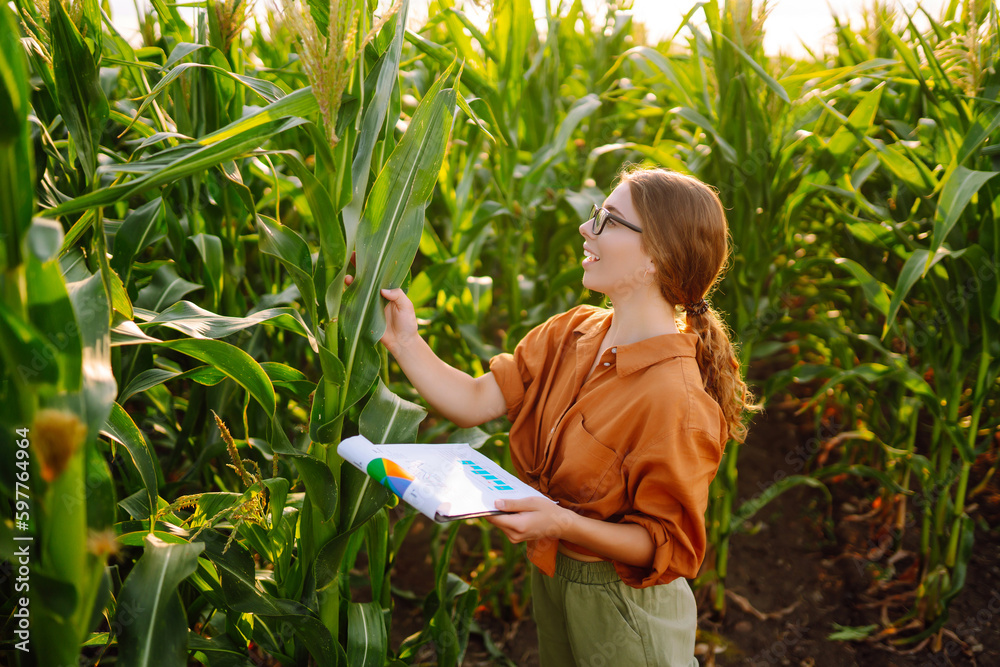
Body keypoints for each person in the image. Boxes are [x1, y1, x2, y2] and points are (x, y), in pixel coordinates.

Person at [373, 166, 754, 666]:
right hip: (555, 579)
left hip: (627, 606)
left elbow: (663, 544)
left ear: (657, 258)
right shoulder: (573, 331)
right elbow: (472, 400)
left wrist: (561, 522)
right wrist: (405, 339)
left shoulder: (676, 397)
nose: (585, 228)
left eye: (609, 220)